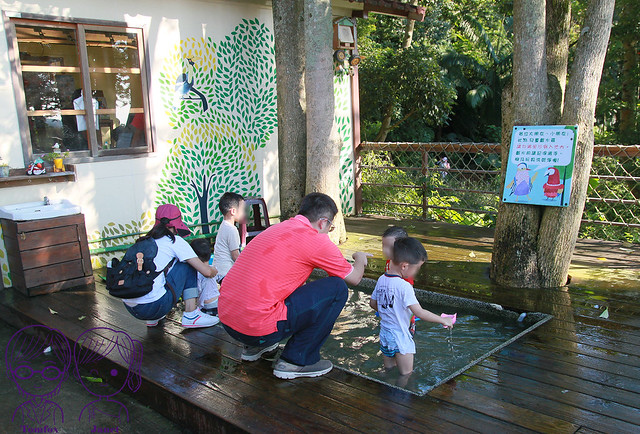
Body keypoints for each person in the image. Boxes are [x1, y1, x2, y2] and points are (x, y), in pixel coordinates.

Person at [219, 193, 371, 379]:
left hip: (228, 322)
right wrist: (360, 259)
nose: (328, 231)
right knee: (337, 288)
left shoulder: (276, 229)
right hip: (256, 329)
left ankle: (254, 348)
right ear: (323, 222)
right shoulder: (316, 240)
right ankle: (296, 360)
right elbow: (354, 278)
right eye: (330, 227)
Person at [122, 204, 219, 328]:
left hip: (132, 307)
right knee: (187, 264)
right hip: (154, 306)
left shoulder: (145, 241)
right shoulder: (175, 241)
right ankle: (191, 314)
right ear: (176, 224)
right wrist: (213, 270)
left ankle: (153, 320)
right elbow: (206, 272)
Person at [370, 237, 453, 376]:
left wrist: (390, 311)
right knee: (406, 374)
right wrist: (443, 320)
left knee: (388, 370)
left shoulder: (381, 279)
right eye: (417, 268)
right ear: (404, 266)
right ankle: (402, 395)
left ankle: (384, 389)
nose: (416, 273)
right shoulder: (404, 286)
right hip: (401, 338)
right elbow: (419, 312)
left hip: (385, 336)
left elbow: (372, 303)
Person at [214, 192, 245, 283]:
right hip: (226, 273)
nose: (244, 213)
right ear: (233, 211)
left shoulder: (224, 225)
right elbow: (235, 255)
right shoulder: (232, 229)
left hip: (219, 271)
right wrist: (245, 267)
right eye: (242, 210)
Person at [190, 238, 220, 315]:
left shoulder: (197, 273)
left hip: (207, 305)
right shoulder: (213, 268)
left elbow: (198, 291)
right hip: (218, 301)